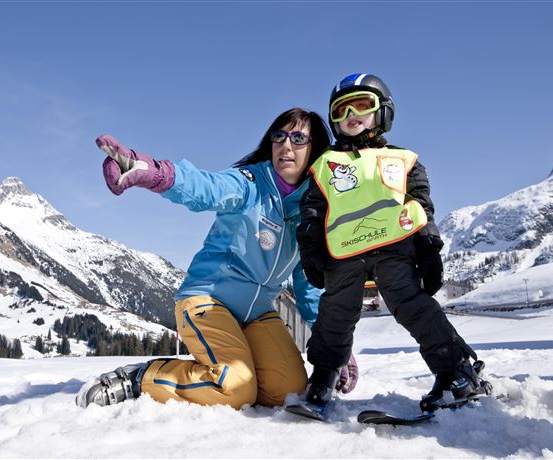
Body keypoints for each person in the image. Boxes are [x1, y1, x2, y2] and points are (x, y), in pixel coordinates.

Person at [75, 108, 359, 410]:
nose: (285, 145)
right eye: (279, 136)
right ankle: (142, 377)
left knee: (287, 391)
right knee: (234, 388)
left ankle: (224, 378)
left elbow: (309, 285)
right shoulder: (250, 183)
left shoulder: (310, 210)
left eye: (299, 138)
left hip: (257, 314)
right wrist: (154, 173)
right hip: (207, 300)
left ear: (315, 149)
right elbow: (206, 187)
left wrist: (335, 347)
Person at [297, 73, 491, 411]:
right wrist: (311, 250)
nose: (350, 115)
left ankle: (456, 372)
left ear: (383, 111)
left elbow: (421, 207)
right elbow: (312, 213)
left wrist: (429, 247)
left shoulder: (404, 160)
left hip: (395, 249)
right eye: (341, 110)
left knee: (412, 306)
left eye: (361, 105)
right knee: (336, 312)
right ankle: (324, 375)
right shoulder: (325, 165)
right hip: (345, 254)